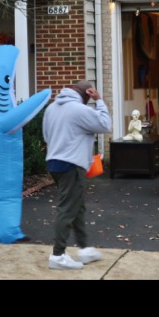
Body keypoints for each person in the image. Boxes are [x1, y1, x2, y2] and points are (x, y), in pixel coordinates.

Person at [42, 80, 112, 270]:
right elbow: (105, 124)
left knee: (76, 205)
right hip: (72, 165)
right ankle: (58, 255)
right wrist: (99, 101)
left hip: (53, 162)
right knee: (67, 208)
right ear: (86, 95)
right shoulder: (79, 110)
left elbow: (46, 137)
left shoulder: (51, 109)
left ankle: (85, 249)